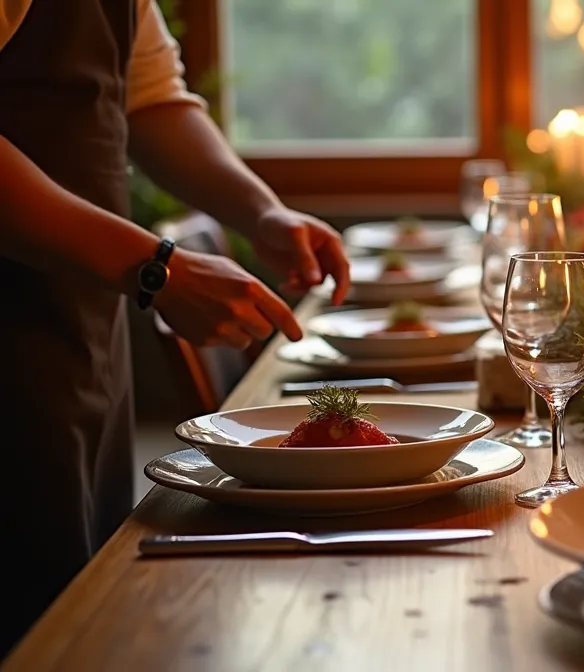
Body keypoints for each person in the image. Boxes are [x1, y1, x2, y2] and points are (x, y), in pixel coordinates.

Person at [0, 0, 350, 653]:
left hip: (83, 327)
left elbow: (153, 98)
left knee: (78, 608)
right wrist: (155, 268)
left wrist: (262, 211)